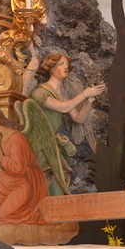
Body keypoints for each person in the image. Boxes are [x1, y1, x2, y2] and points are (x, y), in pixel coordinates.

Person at [18, 51, 104, 195]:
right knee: (45, 183)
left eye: (66, 64)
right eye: (61, 64)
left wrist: (88, 101)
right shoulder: (40, 92)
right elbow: (63, 108)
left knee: (57, 184)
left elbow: (78, 119)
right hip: (39, 146)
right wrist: (84, 94)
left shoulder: (62, 96)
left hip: (52, 145)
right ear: (51, 68)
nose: (65, 66)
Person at [0, 107, 48, 225]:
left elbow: (18, 169)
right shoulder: (5, 137)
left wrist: (0, 156)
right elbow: (12, 168)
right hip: (18, 178)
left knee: (1, 213)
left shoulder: (16, 139)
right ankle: (1, 211)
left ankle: (6, 213)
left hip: (29, 182)